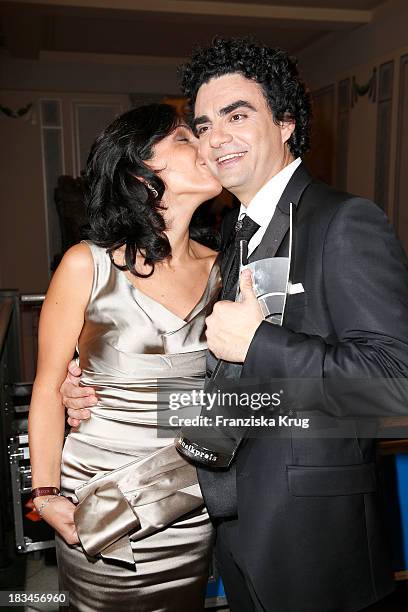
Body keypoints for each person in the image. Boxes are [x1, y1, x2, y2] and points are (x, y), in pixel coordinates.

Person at [62, 38, 408, 612]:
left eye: (237, 115)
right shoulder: (230, 236)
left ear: (287, 123)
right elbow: (251, 396)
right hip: (231, 523)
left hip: (314, 539)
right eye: (201, 124)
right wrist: (112, 390)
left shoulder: (343, 220)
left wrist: (260, 341)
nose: (215, 136)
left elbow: (394, 384)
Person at [28, 103, 223, 612]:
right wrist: (46, 494)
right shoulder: (85, 264)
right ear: (140, 171)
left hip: (189, 504)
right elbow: (49, 389)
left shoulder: (229, 269)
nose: (206, 144)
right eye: (185, 137)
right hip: (102, 502)